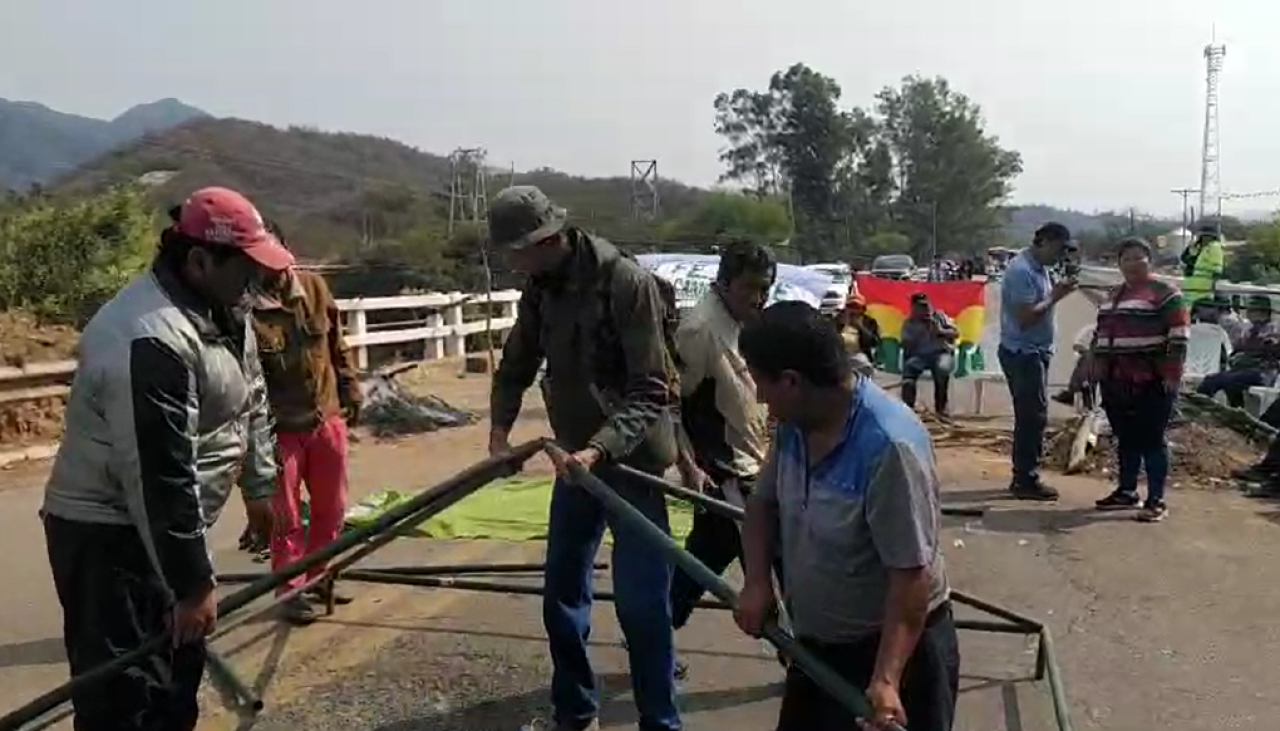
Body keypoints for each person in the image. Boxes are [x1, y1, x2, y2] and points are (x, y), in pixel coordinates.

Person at [41, 187, 292, 731]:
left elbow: (250, 395)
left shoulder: (225, 308)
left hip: (170, 527)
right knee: (125, 700)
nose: (258, 282)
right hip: (111, 539)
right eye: (247, 267)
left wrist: (259, 484)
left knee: (176, 684)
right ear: (200, 261)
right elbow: (157, 474)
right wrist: (192, 585)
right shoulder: (147, 338)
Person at [487, 185, 682, 731]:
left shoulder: (625, 284)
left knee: (643, 608)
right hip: (574, 463)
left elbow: (651, 391)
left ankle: (660, 722)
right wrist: (500, 435)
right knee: (561, 599)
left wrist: (599, 449)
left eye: (516, 252)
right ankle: (575, 710)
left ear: (548, 239)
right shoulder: (539, 288)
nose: (512, 262)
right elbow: (517, 362)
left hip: (632, 463)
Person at [733, 301, 958, 731]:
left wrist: (887, 679)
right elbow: (762, 504)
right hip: (818, 650)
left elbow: (912, 575)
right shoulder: (796, 424)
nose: (759, 398)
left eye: (761, 383)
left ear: (792, 381)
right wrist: (758, 582)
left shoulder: (890, 448)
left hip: (896, 654)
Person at [250, 221, 363, 625]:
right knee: (287, 517)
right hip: (278, 428)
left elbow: (336, 344)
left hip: (325, 415)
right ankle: (289, 589)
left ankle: (321, 576)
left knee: (331, 508)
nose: (275, 270)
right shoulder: (243, 308)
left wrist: (350, 387)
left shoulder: (314, 288)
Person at [667, 241, 775, 643]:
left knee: (704, 557)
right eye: (750, 287)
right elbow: (670, 402)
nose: (759, 297)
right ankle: (802, 662)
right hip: (726, 472)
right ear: (725, 283)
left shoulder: (744, 322)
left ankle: (654, 632)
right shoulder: (700, 330)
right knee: (767, 567)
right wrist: (687, 464)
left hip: (752, 461)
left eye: (765, 288)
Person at [1090, 238, 1190, 522]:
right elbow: (1100, 334)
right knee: (1126, 438)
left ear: (1150, 261)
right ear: (1119, 264)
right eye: (1127, 259)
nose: (1133, 264)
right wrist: (1096, 367)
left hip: (1152, 379)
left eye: (1139, 258)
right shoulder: (1113, 295)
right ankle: (1126, 490)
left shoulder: (1166, 293)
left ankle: (1156, 499)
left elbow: (1179, 336)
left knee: (1152, 439)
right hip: (1116, 380)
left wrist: (1172, 373)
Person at [999, 222, 1078, 501]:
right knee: (1032, 417)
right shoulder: (1022, 271)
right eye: (1058, 249)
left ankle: (1025, 474)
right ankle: (1025, 479)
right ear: (1044, 241)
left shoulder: (1039, 268)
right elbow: (1026, 317)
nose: (1060, 256)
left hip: (1034, 351)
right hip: (1023, 352)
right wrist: (1056, 296)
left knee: (1032, 416)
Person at [1196, 295, 1280, 408]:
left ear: (1263, 312)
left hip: (1261, 372)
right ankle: (1235, 410)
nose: (1249, 313)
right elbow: (1236, 349)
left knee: (1222, 380)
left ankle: (1203, 408)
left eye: (1252, 310)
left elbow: (1269, 351)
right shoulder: (1247, 329)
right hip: (1243, 369)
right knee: (1212, 380)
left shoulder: (1272, 330)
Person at [900, 292, 958, 419]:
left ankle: (941, 408)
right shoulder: (909, 322)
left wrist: (940, 331)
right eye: (920, 307)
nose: (924, 309)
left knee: (942, 369)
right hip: (921, 356)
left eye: (926, 306)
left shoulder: (940, 317)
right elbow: (905, 344)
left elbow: (955, 333)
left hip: (941, 353)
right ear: (913, 308)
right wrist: (919, 333)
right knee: (910, 368)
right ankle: (908, 408)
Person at [1052, 322, 1097, 410]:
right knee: (1085, 361)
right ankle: (1078, 392)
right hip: (1094, 364)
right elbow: (1077, 345)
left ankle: (1072, 392)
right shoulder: (1091, 330)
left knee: (1085, 362)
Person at [1180, 224, 1226, 309]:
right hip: (1191, 284)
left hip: (1204, 286)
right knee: (1187, 309)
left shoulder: (1214, 247)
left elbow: (1217, 269)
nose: (1205, 238)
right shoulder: (1199, 247)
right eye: (1203, 236)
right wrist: (1190, 247)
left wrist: (1213, 284)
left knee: (1198, 309)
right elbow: (1185, 258)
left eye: (1208, 236)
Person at [838, 292, 881, 377]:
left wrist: (860, 327)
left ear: (863, 309)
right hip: (840, 355)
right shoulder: (838, 319)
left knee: (863, 366)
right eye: (851, 307)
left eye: (857, 307)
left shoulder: (869, 322)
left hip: (858, 354)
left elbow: (874, 342)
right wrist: (842, 324)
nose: (853, 310)